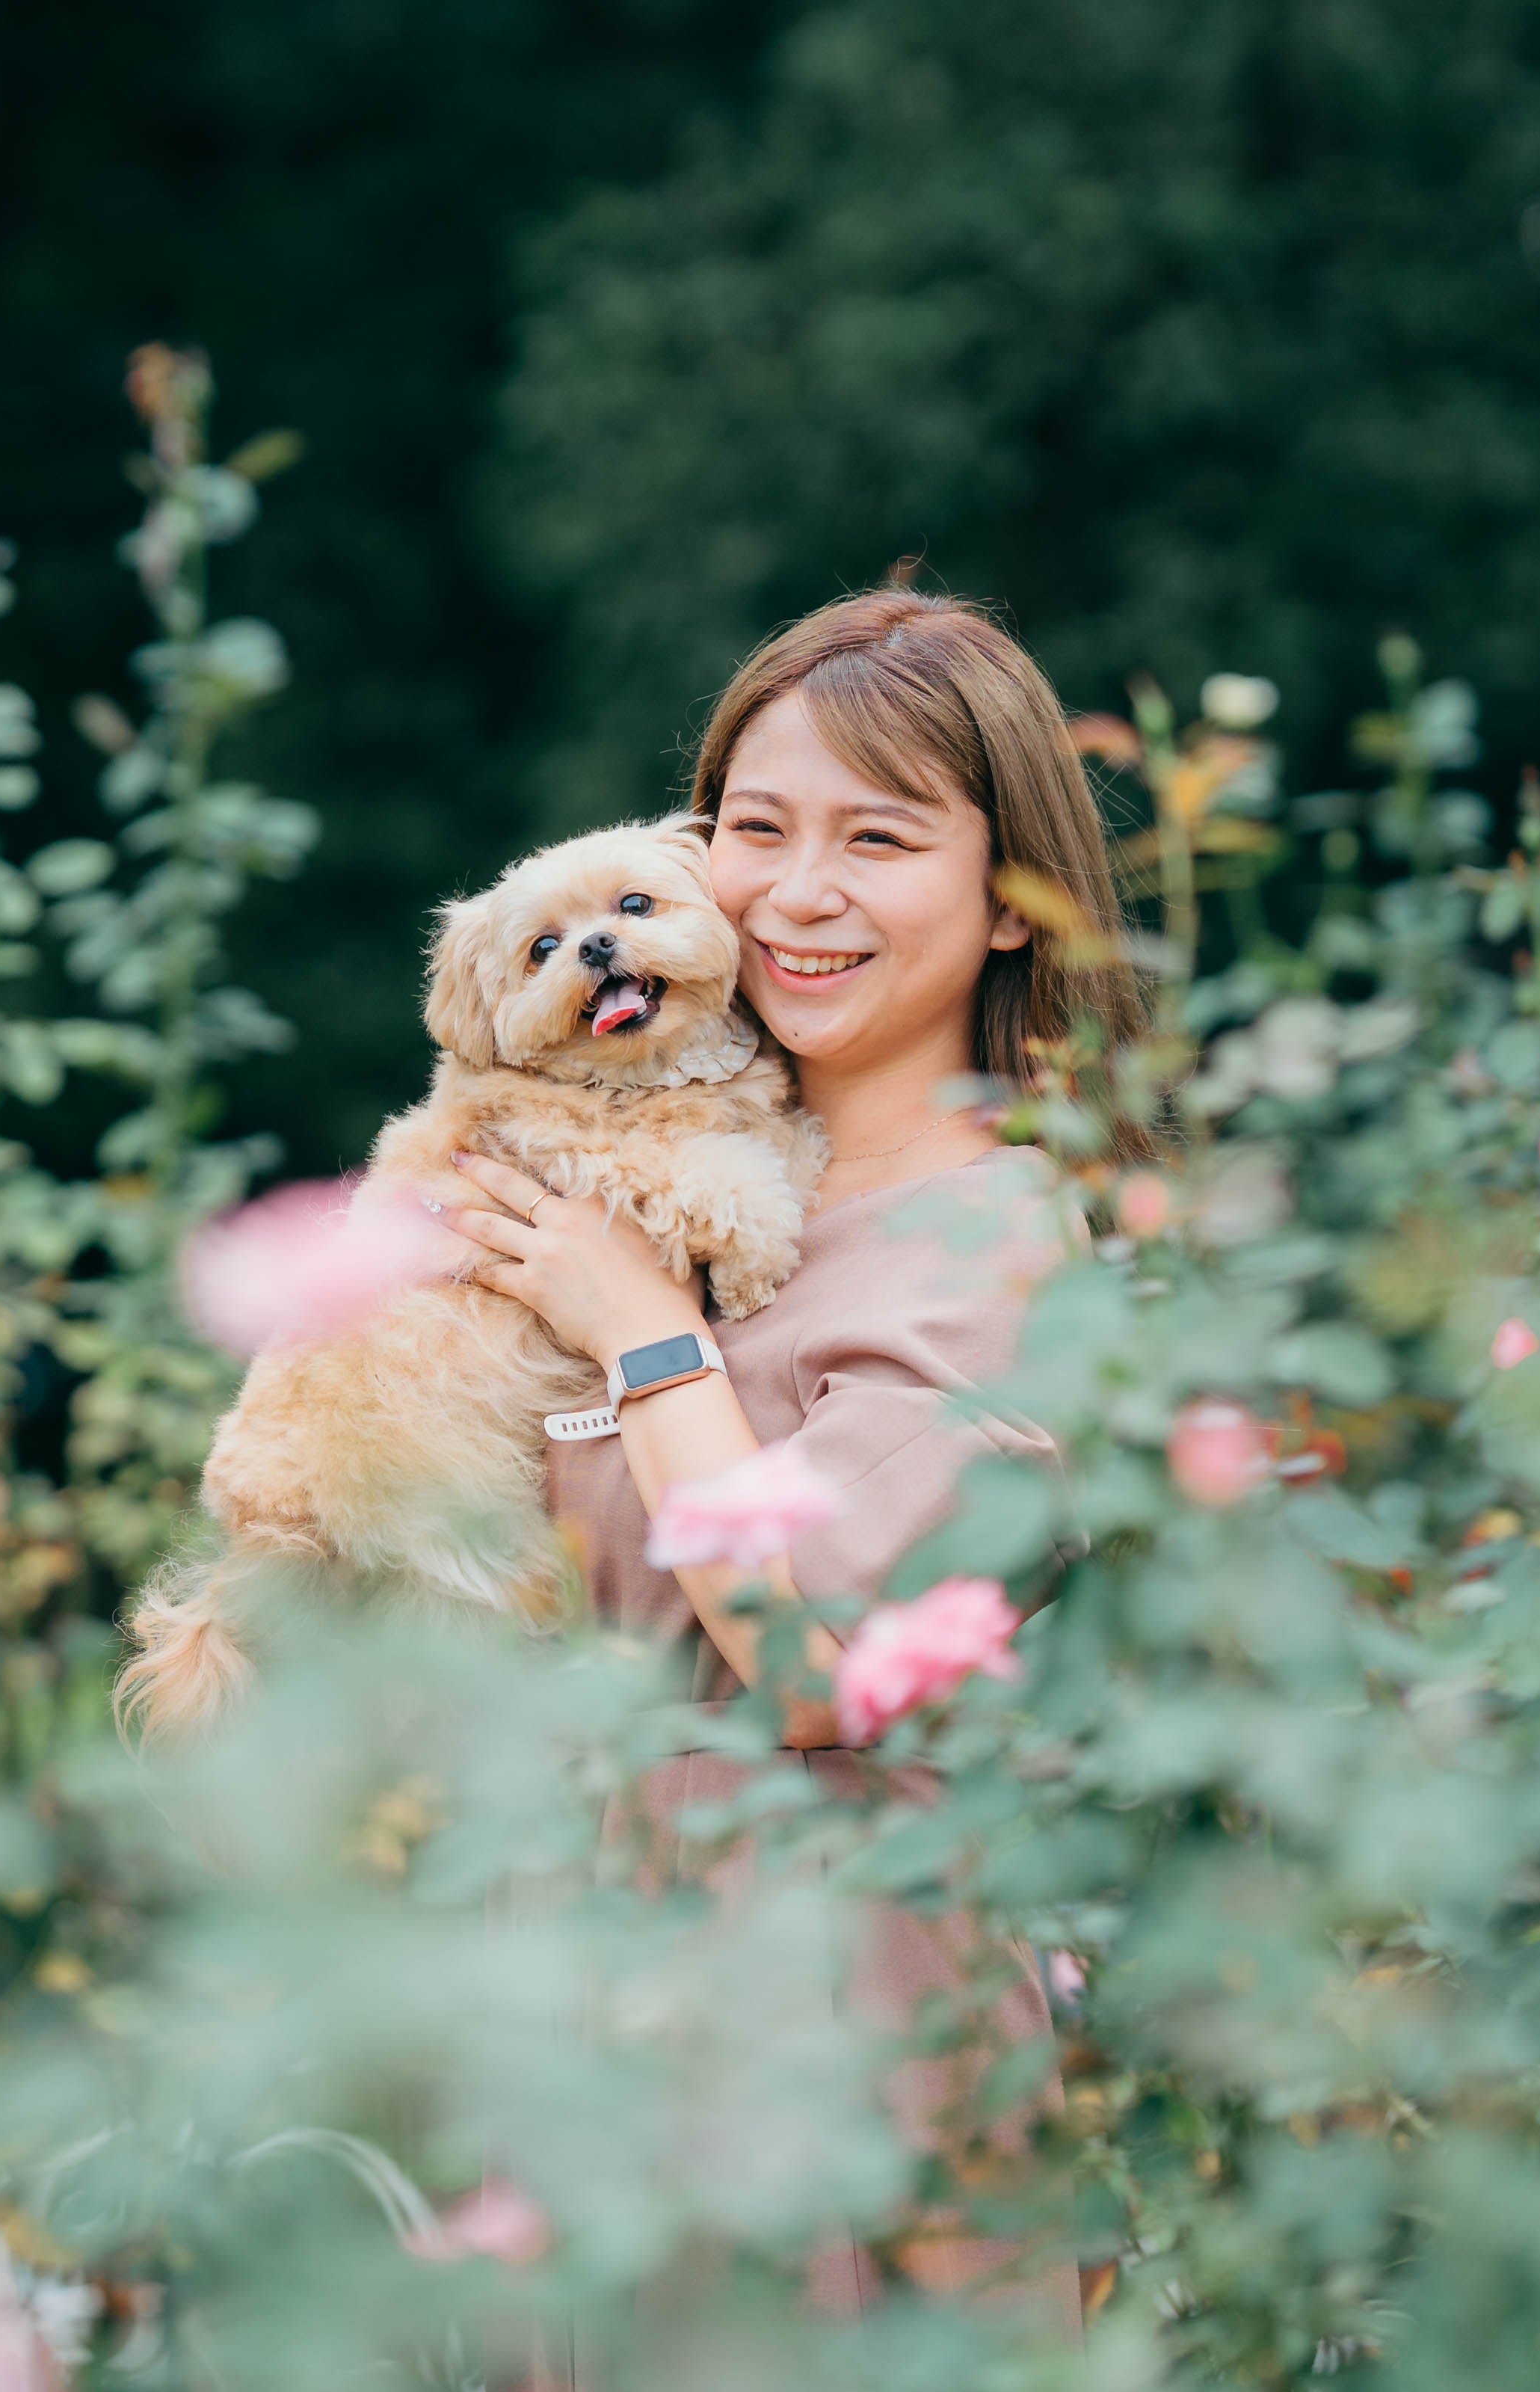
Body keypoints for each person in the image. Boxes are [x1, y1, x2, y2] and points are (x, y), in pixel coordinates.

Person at [440, 585, 1152, 2327]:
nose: (795, 892)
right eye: (753, 829)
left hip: (838, 2012)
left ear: (1010, 896)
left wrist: (644, 1336)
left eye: (877, 838)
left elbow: (815, 1653)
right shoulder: (626, 1186)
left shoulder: (1004, 1237)